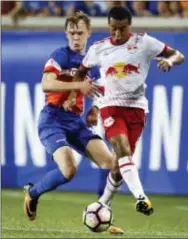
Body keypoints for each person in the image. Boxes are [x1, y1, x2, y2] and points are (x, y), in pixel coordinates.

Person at [67, 6, 185, 218]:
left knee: (118, 165)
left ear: (129, 26)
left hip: (138, 108)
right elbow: (81, 73)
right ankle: (141, 197)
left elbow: (178, 55)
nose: (118, 34)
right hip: (111, 106)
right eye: (113, 29)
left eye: (122, 29)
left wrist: (169, 61)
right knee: (122, 149)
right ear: (108, 26)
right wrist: (74, 96)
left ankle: (103, 203)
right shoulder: (98, 48)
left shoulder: (144, 42)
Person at [23, 11, 123, 235]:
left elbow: (100, 92)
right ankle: (33, 193)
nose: (76, 37)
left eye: (80, 33)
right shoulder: (60, 56)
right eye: (71, 33)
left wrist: (94, 110)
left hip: (75, 122)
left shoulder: (93, 64)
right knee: (69, 170)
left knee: (112, 165)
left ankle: (103, 210)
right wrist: (77, 87)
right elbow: (46, 85)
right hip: (52, 120)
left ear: (89, 33)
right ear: (66, 34)